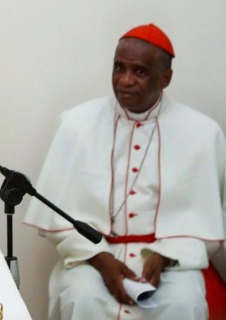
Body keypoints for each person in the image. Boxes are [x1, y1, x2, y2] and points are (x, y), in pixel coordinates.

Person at [23, 23, 226, 320]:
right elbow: (59, 217)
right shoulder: (76, 124)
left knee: (183, 303)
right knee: (81, 297)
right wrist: (100, 258)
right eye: (119, 68)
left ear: (166, 78)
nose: (125, 80)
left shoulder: (203, 133)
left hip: (172, 259)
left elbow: (206, 221)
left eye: (139, 71)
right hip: (91, 255)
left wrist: (166, 256)